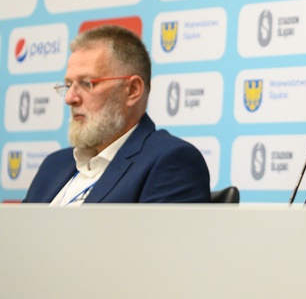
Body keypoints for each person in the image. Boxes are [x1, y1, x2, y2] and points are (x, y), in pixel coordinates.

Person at [23, 25, 210, 204]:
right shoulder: (54, 165)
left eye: (87, 83)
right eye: (68, 85)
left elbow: (154, 238)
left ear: (132, 90)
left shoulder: (170, 161)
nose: (70, 98)